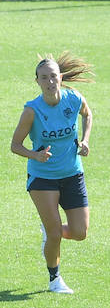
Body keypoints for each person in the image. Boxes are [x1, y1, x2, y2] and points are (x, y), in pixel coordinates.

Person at [10, 52, 93, 294]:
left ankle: (49, 231)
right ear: (37, 81)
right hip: (42, 178)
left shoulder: (74, 99)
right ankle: (54, 280)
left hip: (72, 174)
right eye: (44, 78)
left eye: (53, 76)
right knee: (56, 233)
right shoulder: (32, 111)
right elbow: (15, 145)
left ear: (61, 77)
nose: (49, 82)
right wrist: (35, 155)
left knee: (80, 233)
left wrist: (85, 141)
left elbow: (88, 115)